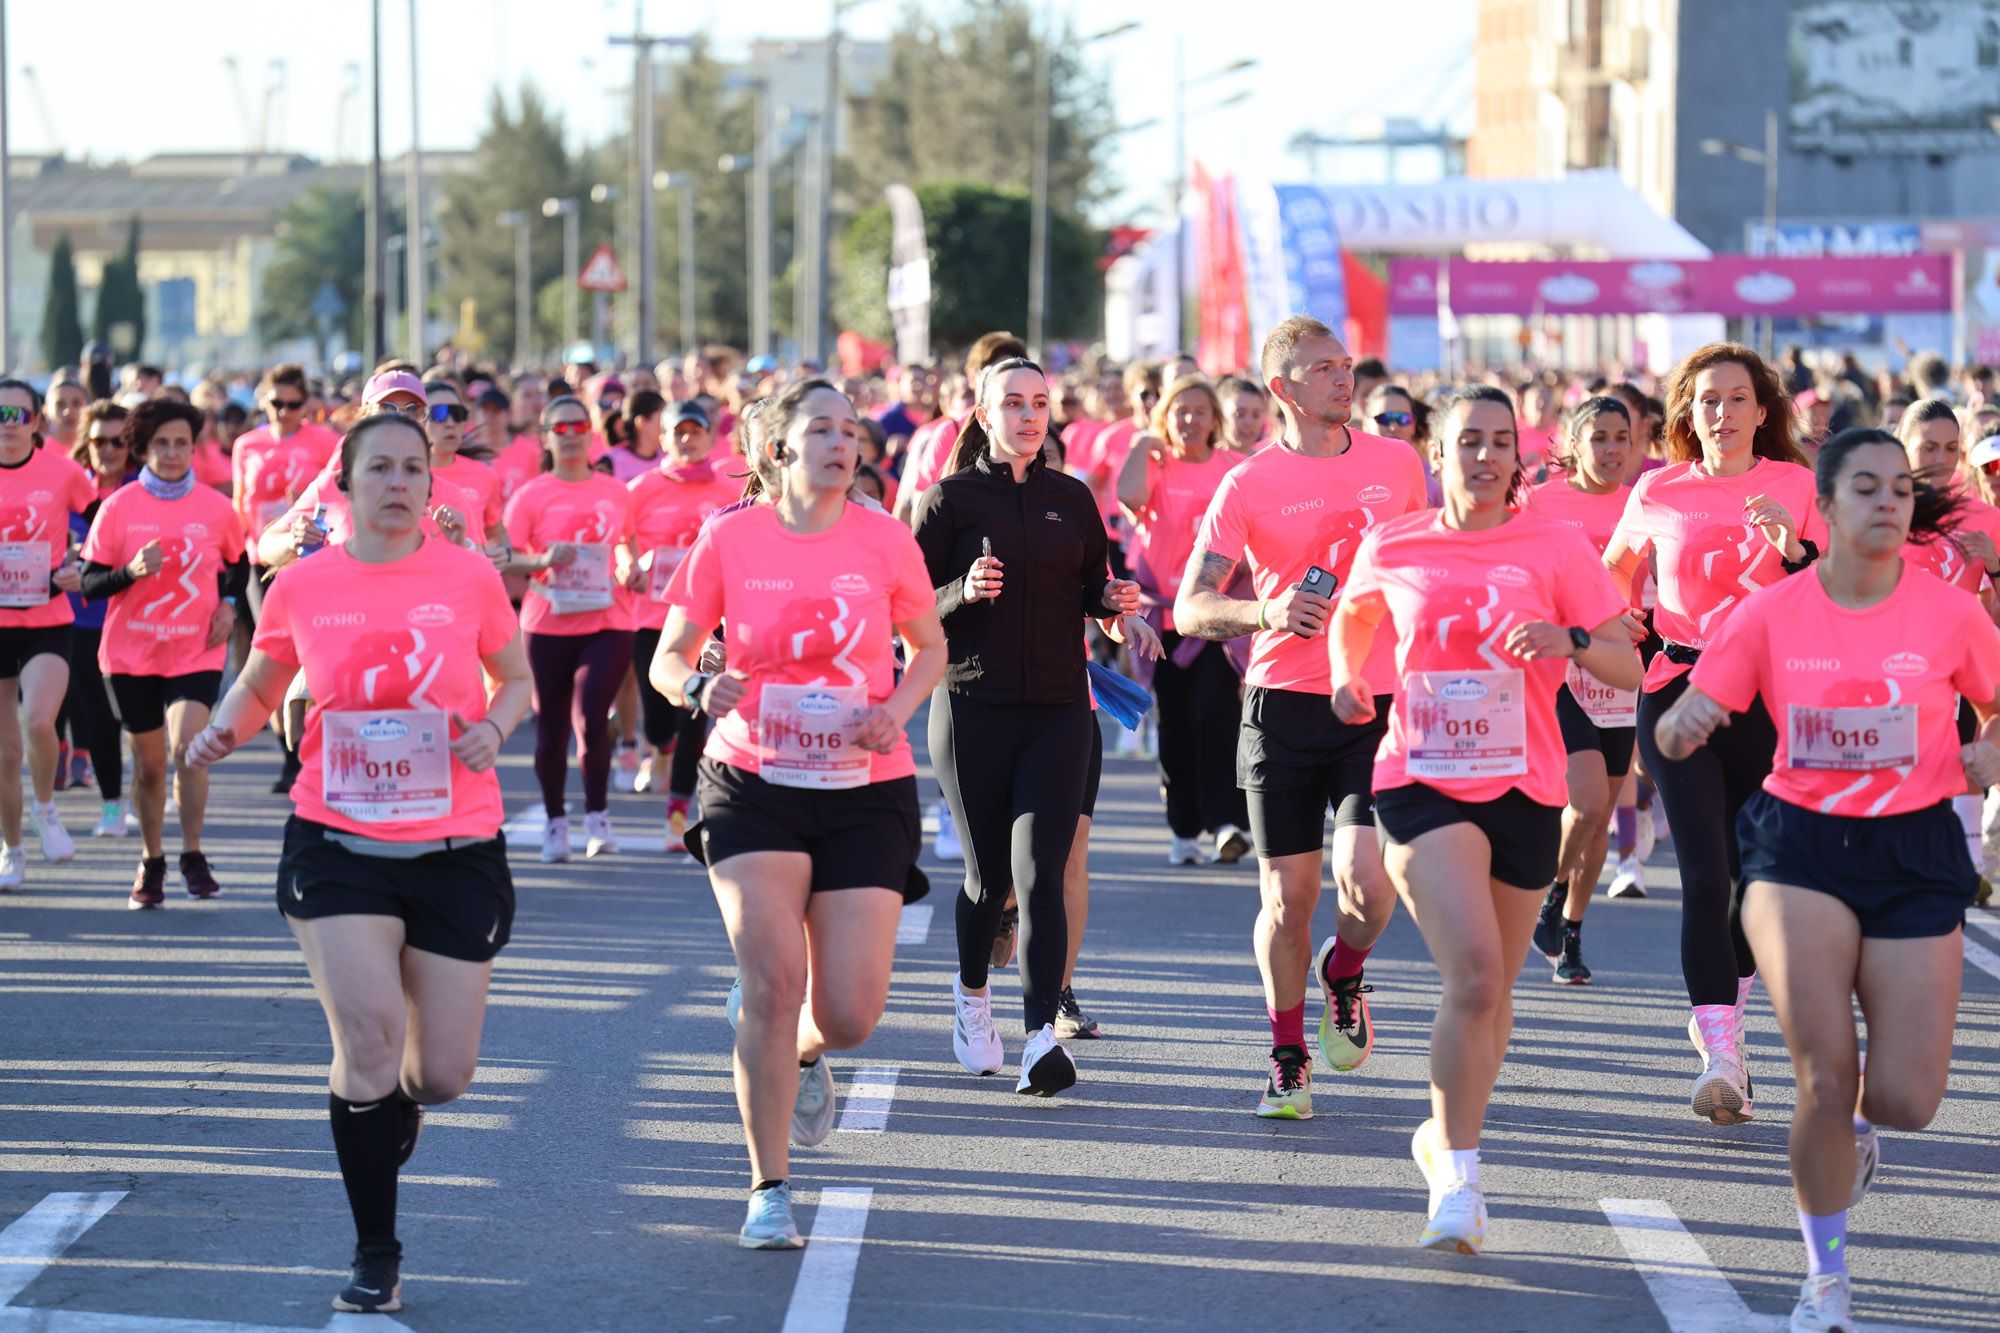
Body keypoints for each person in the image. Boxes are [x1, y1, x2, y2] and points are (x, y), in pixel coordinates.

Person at [184, 412, 531, 1313]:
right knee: (369, 1040)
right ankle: (376, 1250)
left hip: (456, 841)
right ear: (344, 483)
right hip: (337, 839)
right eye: (378, 467)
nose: (398, 482)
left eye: (413, 468)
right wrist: (227, 727)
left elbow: (517, 677)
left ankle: (397, 1104)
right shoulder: (301, 584)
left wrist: (493, 727)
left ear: (429, 483)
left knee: (440, 1072)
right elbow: (267, 677)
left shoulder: (467, 577)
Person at [1653, 427, 1997, 1333]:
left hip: (1915, 851)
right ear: (1829, 504)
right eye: (1865, 487)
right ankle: (1826, 1280)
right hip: (1796, 849)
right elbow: (1703, 699)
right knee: (1822, 1076)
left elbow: (1998, 704)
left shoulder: (1949, 614)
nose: (1887, 501)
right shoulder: (1771, 611)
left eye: (1899, 488)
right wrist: (1685, 721)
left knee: (1905, 1097)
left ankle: (1858, 1122)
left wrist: (1985, 751)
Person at [1331, 383, 1638, 1252]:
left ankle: (1441, 1134)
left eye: (1501, 441)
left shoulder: (1555, 543)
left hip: (1525, 785)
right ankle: (1460, 1179)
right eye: (1469, 440)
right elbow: (1352, 622)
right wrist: (1352, 682)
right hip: (1420, 778)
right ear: (1440, 451)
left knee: (1494, 990)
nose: (1486, 456)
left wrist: (1570, 642)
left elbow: (1630, 668)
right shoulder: (1394, 540)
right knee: (1471, 976)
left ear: (1518, 453)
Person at [648, 377, 946, 1249]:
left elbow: (930, 647)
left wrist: (900, 706)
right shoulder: (729, 537)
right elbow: (669, 659)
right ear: (779, 447)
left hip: (865, 781)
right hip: (752, 780)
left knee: (849, 1013)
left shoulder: (886, 539)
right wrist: (703, 683)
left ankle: (805, 1046)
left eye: (850, 430)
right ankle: (767, 1187)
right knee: (776, 983)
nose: (841, 441)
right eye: (820, 428)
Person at [1175, 317, 1426, 1120]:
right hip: (1281, 705)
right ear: (1283, 388)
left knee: (1370, 882)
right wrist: (1267, 610)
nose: (1343, 379)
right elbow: (1189, 607)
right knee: (1288, 898)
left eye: (1346, 365)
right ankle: (1287, 1056)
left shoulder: (1398, 464)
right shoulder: (1247, 484)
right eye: (1323, 369)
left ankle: (1345, 969)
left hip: (1376, 702)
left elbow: (1434, 561)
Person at [1603, 342, 1824, 1126]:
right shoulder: (1659, 488)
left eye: (1736, 399)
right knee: (1704, 873)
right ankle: (1722, 1054)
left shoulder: (1797, 485)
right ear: (1687, 415)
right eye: (1707, 400)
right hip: (1677, 691)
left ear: (1763, 410)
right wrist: (1621, 616)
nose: (1722, 413)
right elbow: (1611, 575)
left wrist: (1793, 551)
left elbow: (1830, 592)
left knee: (1756, 877)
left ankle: (1723, 1013)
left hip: (1768, 699)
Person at [913, 358, 1139, 1097]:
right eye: (1012, 402)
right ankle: (973, 995)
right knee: (990, 881)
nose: (1028, 415)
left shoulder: (1071, 499)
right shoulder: (949, 500)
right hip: (972, 706)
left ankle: (1041, 1035)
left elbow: (1089, 589)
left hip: (1058, 711)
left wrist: (1112, 599)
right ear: (982, 415)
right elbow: (907, 611)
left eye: (1039, 402)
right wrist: (960, 590)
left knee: (1043, 872)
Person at [79, 399, 247, 906]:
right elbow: (90, 583)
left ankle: (193, 855)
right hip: (132, 653)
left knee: (188, 748)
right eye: (161, 444)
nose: (172, 453)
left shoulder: (217, 508)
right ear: (144, 449)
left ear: (194, 447)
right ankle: (152, 861)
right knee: (150, 766)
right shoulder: (119, 507)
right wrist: (130, 571)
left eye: (181, 443)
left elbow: (237, 563)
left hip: (195, 648)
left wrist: (230, 604)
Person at [1525, 398, 1641, 984]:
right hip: (1560, 671)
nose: (1613, 449)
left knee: (1596, 821)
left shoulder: (1644, 502)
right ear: (1572, 444)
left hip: (1621, 673)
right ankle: (1546, 890)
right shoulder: (1541, 503)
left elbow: (1659, 585)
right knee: (1589, 800)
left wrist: (1645, 621)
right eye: (1599, 438)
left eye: (1623, 437)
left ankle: (1568, 927)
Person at [1118, 374, 1250, 864]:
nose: (1191, 420)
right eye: (1181, 411)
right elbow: (1129, 497)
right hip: (1165, 619)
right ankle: (1183, 828)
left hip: (1217, 617)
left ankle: (1227, 824)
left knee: (1218, 716)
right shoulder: (1155, 465)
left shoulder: (1233, 468)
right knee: (1176, 723)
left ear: (1217, 419)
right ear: (1166, 417)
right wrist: (1143, 442)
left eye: (1200, 411)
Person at [502, 397, 636, 862]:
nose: (572, 433)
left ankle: (598, 816)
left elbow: (626, 546)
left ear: (591, 432)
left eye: (580, 425)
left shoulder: (615, 491)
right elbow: (507, 555)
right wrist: (541, 561)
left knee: (591, 717)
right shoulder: (531, 495)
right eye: (561, 427)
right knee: (551, 729)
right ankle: (556, 822)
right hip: (548, 622)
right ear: (547, 436)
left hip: (607, 619)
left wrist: (628, 568)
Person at [621, 398, 739, 851]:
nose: (688, 440)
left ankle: (677, 811)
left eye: (697, 432)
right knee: (657, 716)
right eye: (679, 433)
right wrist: (627, 564)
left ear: (711, 437)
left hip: (705, 621)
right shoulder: (639, 488)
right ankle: (659, 749)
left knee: (694, 714)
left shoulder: (730, 489)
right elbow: (621, 541)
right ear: (664, 438)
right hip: (652, 617)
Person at [0, 379, 96, 887]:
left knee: (40, 722)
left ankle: (45, 809)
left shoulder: (62, 471)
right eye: (0, 414)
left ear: (36, 421)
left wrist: (79, 560)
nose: (8, 425)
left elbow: (103, 523)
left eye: (19, 415)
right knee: (4, 749)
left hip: (48, 618)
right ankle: (12, 848)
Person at [63, 402, 135, 834]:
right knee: (98, 716)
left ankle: (149, 781)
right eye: (98, 441)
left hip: (136, 618)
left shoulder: (141, 490)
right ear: (85, 442)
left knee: (140, 716)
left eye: (118, 442)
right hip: (81, 619)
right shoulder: (70, 487)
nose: (107, 450)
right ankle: (112, 803)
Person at [1216, 374, 1271, 453]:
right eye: (1239, 414)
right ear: (1220, 415)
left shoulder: (1266, 462)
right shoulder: (1202, 460)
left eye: (1256, 415)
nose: (1249, 422)